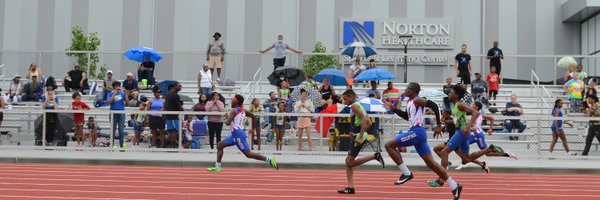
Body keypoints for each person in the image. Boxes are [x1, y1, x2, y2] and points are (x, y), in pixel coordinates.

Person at [381, 83, 462, 199]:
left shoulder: (418, 99)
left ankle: (406, 173)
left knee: (389, 145)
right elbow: (406, 116)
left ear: (414, 91)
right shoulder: (409, 102)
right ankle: (455, 185)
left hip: (417, 132)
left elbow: (435, 106)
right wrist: (394, 109)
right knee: (431, 163)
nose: (406, 90)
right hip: (418, 134)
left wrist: (439, 124)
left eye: (408, 88)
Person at [207, 94, 279, 172]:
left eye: (232, 101)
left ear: (236, 102)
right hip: (235, 134)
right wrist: (253, 129)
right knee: (220, 145)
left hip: (238, 135)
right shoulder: (243, 110)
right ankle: (217, 166)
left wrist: (225, 118)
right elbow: (254, 117)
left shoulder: (234, 110)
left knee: (249, 154)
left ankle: (269, 159)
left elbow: (227, 123)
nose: (231, 102)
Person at [337, 89, 385, 195]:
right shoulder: (359, 105)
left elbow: (365, 120)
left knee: (349, 162)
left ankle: (374, 156)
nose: (345, 101)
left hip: (359, 136)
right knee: (348, 162)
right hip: (357, 135)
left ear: (351, 96)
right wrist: (353, 132)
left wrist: (360, 135)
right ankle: (350, 187)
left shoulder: (354, 105)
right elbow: (367, 122)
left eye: (345, 99)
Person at [453, 102, 515, 171]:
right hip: (472, 135)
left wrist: (464, 126)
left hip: (478, 135)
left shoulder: (476, 114)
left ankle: (506, 154)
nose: (470, 105)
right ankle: (465, 162)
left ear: (476, 107)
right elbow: (491, 118)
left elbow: (473, 127)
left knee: (488, 153)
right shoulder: (477, 114)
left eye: (472, 104)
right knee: (458, 146)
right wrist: (490, 128)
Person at [107, 81, 129, 149]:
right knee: (113, 129)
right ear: (114, 87)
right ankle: (112, 145)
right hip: (113, 112)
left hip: (121, 113)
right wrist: (114, 94)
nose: (117, 87)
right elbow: (109, 102)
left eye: (118, 86)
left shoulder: (122, 94)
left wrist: (126, 94)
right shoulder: (110, 94)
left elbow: (127, 103)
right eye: (116, 86)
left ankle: (121, 145)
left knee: (121, 130)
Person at [164, 82, 184, 148]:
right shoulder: (176, 95)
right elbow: (178, 106)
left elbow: (165, 104)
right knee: (174, 130)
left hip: (168, 114)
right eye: (179, 86)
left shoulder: (167, 94)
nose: (180, 87)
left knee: (170, 130)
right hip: (173, 115)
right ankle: (172, 144)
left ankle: (168, 144)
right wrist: (183, 110)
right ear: (175, 87)